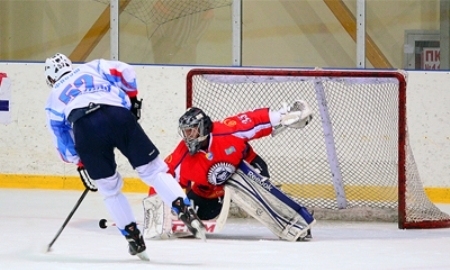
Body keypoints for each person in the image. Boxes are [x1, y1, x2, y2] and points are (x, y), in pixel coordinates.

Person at [43, 53, 205, 260]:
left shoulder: (53, 97)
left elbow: (61, 137)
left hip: (85, 128)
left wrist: (79, 161)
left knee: (109, 190)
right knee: (154, 171)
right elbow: (125, 71)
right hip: (117, 115)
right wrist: (133, 99)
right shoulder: (93, 67)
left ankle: (133, 237)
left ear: (50, 78)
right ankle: (184, 209)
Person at [144, 102, 315, 241]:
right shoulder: (182, 156)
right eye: (185, 132)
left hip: (246, 168)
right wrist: (156, 211)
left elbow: (255, 120)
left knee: (263, 196)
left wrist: (281, 116)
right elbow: (162, 179)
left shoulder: (228, 130)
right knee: (191, 216)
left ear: (202, 127)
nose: (187, 137)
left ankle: (297, 220)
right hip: (211, 190)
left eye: (191, 131)